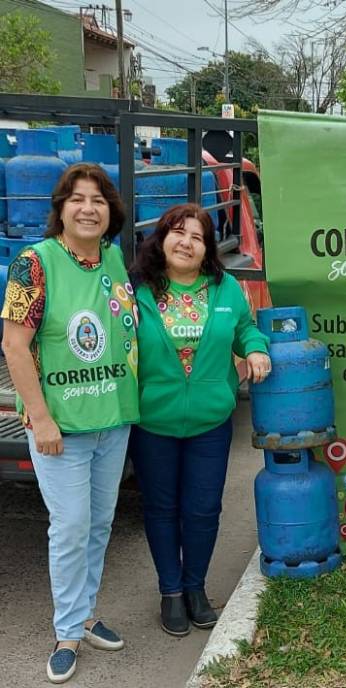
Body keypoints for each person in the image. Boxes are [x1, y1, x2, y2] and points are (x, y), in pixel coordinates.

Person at [1, 164, 139, 683]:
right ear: (60, 209)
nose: (88, 208)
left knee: (99, 524)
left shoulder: (113, 259)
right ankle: (66, 633)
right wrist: (40, 419)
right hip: (60, 426)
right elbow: (14, 345)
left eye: (99, 200)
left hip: (112, 418)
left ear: (111, 212)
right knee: (71, 527)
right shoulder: (33, 264)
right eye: (77, 199)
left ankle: (85, 614)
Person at [128, 203, 270, 637]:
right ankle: (170, 591)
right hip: (153, 422)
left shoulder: (225, 289)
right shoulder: (137, 290)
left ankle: (195, 587)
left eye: (197, 237)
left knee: (203, 508)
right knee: (161, 508)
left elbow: (245, 329)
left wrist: (256, 348)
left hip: (210, 421)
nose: (186, 243)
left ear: (208, 247)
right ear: (161, 238)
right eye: (178, 232)